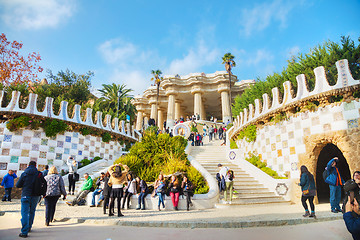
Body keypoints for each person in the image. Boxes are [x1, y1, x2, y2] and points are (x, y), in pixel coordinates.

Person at [16, 161, 44, 238]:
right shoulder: (39, 174)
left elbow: (18, 185)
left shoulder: (24, 173)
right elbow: (44, 183)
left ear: (28, 165)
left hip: (25, 194)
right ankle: (29, 227)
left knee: (24, 213)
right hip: (36, 195)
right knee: (32, 211)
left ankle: (24, 232)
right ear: (36, 166)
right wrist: (43, 193)